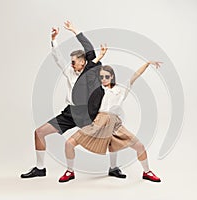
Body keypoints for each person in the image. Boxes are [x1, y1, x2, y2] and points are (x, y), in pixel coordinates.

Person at [21, 21, 126, 179]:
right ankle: (40, 168)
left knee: (111, 136)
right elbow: (57, 58)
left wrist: (74, 30)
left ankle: (113, 168)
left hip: (89, 114)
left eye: (74, 61)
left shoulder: (93, 70)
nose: (71, 64)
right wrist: (54, 39)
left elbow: (88, 48)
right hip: (70, 113)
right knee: (39, 132)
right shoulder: (69, 71)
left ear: (83, 62)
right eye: (70, 62)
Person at [59, 61, 163, 182]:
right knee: (69, 143)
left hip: (115, 123)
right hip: (98, 122)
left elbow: (135, 76)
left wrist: (147, 63)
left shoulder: (121, 90)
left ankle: (146, 172)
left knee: (139, 146)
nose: (104, 79)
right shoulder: (97, 89)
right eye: (101, 77)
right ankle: (69, 171)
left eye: (106, 76)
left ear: (112, 76)